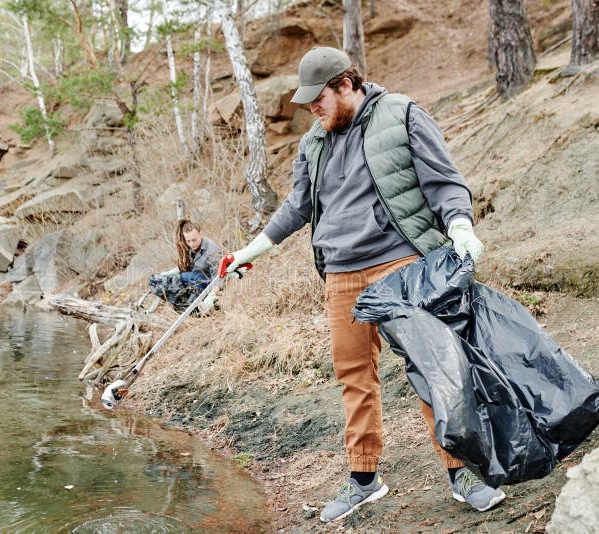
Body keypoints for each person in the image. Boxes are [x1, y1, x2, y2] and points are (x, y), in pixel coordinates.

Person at [223, 47, 505, 522]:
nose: (312, 109)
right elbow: (297, 207)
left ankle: (463, 471)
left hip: (400, 267)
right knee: (354, 379)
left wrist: (460, 225)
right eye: (308, 102)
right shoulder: (313, 143)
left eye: (319, 99)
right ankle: (364, 478)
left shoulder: (402, 115)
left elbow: (444, 181)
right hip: (340, 274)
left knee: (430, 367)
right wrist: (249, 253)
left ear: (346, 84)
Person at [152, 219, 222, 314]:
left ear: (200, 234)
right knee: (164, 281)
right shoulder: (189, 247)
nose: (191, 244)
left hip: (207, 283)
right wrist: (168, 274)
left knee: (180, 278)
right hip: (195, 283)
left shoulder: (212, 251)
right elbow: (186, 267)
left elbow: (218, 278)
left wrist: (211, 297)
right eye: (188, 241)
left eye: (194, 240)